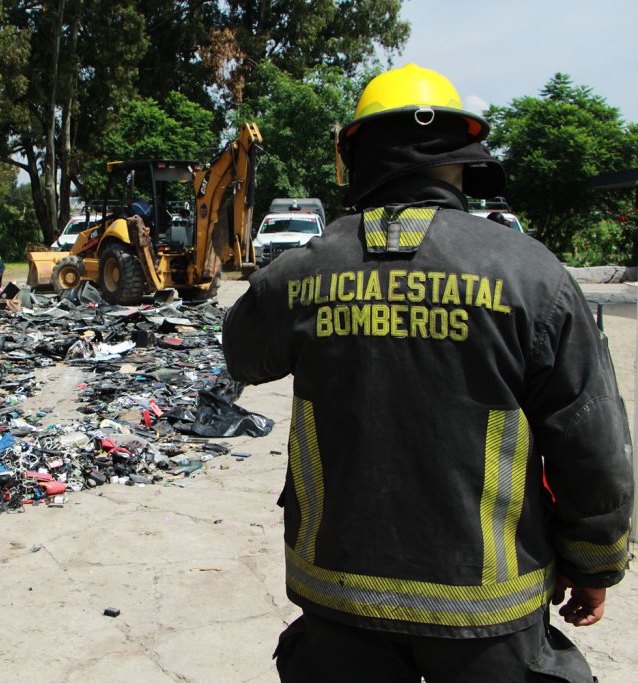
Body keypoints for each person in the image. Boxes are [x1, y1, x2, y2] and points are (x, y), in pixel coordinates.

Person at [222, 64, 632, 682]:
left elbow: (242, 354)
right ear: (462, 159)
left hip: (340, 599)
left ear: (354, 156)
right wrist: (594, 564)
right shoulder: (532, 273)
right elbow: (590, 440)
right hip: (487, 615)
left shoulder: (305, 270)